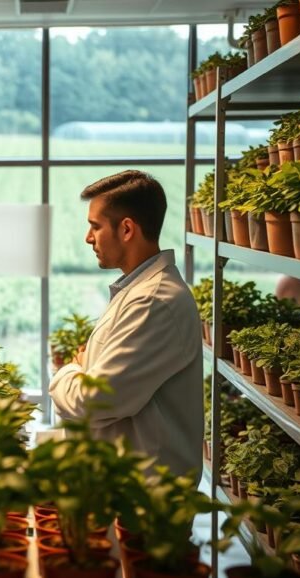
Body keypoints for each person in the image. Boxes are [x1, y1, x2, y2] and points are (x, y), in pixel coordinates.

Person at [49, 170, 203, 479]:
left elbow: (92, 402)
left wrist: (67, 370)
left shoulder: (153, 302)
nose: (88, 237)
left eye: (95, 226)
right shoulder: (140, 291)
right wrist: (83, 372)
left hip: (144, 493)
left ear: (127, 229)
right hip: (124, 485)